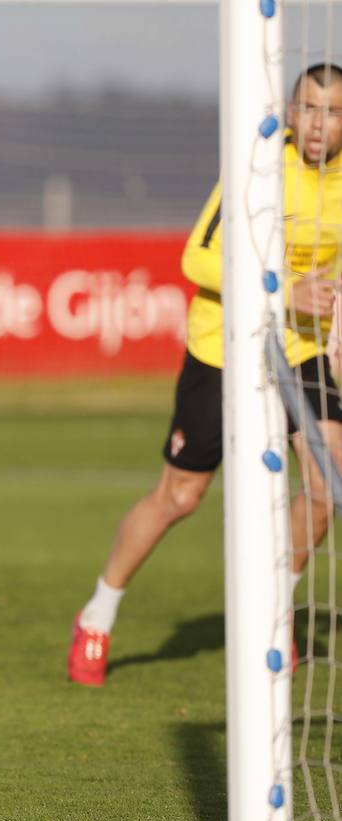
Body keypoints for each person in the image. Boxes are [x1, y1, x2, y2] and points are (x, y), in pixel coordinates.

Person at [68, 63, 342, 686]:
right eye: (309, 108)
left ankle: (275, 609)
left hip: (298, 351)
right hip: (226, 349)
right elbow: (196, 257)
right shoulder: (260, 166)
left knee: (328, 480)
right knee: (180, 497)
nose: (320, 123)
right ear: (291, 112)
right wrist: (281, 293)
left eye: (333, 111)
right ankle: (99, 613)